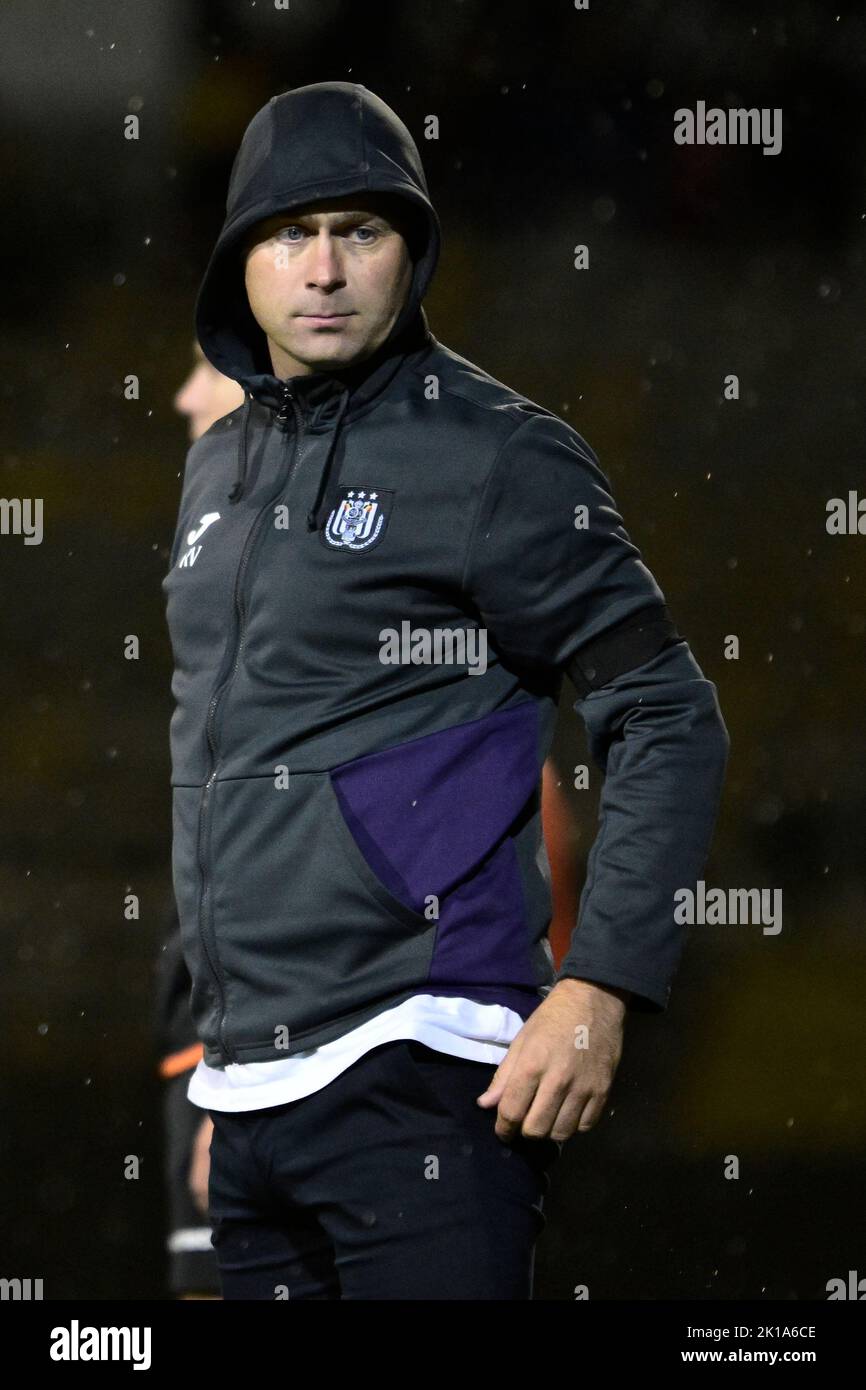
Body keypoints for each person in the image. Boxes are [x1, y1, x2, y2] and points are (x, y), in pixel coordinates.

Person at [161, 81, 729, 1300]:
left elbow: (667, 711)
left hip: (427, 1064)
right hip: (254, 1093)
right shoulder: (215, 469)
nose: (322, 268)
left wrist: (600, 984)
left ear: (409, 253)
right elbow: (220, 764)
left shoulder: (497, 453)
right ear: (238, 261)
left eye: (360, 231)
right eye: (287, 232)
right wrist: (234, 1055)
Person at [153, 343, 244, 1299]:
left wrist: (239, 1083)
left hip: (255, 1064)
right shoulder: (218, 545)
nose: (181, 398)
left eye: (203, 369)